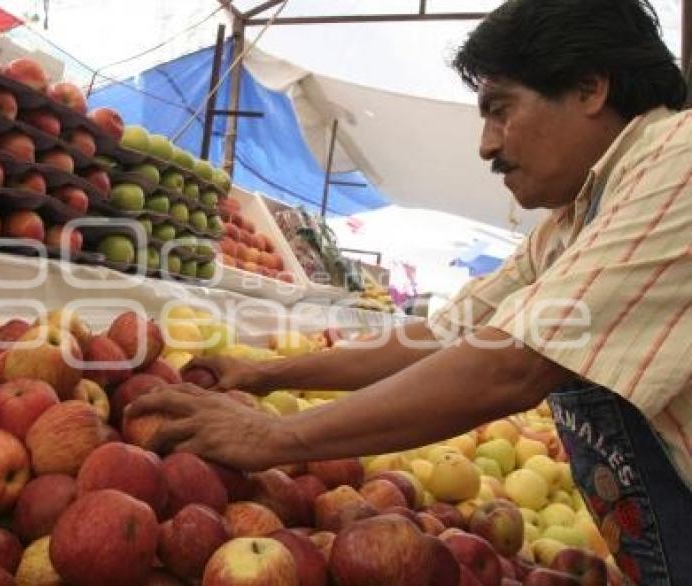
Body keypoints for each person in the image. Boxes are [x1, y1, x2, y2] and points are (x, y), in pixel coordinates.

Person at [126, 0, 691, 582]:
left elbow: (513, 366)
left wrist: (274, 436)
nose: (486, 146)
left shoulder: (679, 163)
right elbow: (440, 337)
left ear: (590, 87)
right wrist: (265, 376)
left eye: (501, 110)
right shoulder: (569, 228)